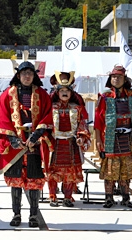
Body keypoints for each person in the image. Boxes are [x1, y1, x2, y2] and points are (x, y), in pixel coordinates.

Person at [0, 61, 52, 228]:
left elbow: (47, 116)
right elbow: (2, 118)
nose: (27, 76)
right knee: (15, 180)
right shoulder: (7, 95)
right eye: (24, 73)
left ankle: (33, 215)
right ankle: (16, 214)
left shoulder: (42, 94)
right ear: (18, 75)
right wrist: (12, 139)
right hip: (15, 144)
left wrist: (37, 134)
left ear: (34, 75)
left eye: (30, 73)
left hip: (34, 143)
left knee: (34, 179)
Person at [94, 64, 132, 209]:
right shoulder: (105, 96)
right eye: (114, 76)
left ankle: (126, 198)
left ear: (124, 79)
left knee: (126, 170)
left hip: (127, 138)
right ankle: (108, 198)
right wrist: (98, 140)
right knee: (110, 169)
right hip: (110, 139)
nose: (116, 79)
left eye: (119, 76)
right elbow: (98, 120)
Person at [47, 71, 91, 207]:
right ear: (57, 92)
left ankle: (67, 196)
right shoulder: (50, 107)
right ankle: (52, 196)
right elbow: (45, 123)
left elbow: (82, 124)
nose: (64, 93)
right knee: (53, 171)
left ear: (71, 93)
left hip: (71, 143)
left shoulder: (76, 108)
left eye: (67, 90)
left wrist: (81, 137)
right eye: (62, 90)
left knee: (70, 172)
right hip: (55, 144)